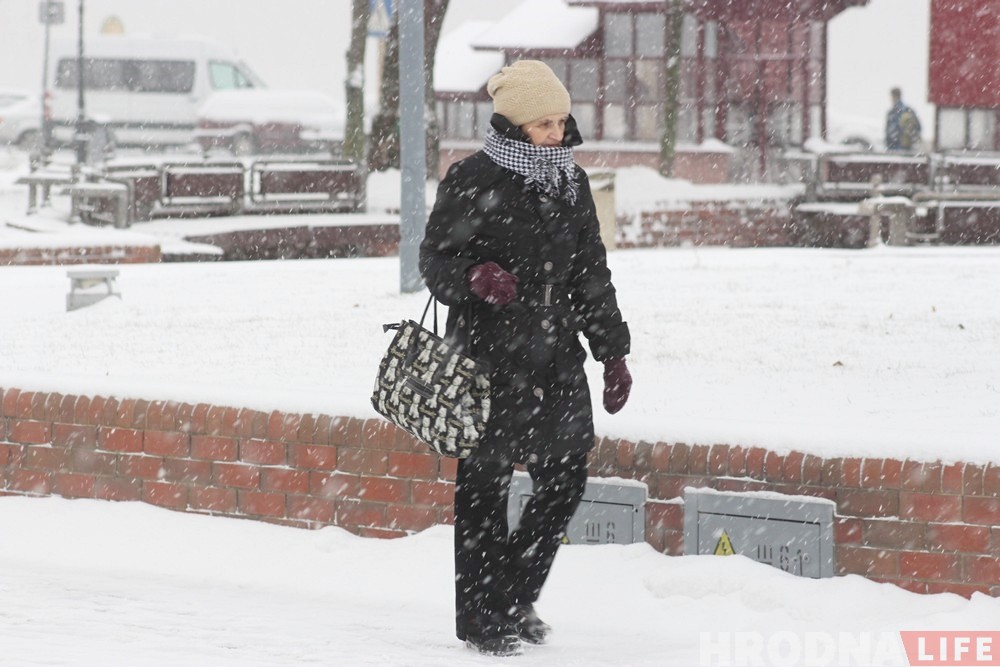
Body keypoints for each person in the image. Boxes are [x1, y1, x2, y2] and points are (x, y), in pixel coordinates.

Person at [419, 60, 632, 657]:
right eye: (543, 123)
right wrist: (475, 277)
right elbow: (433, 263)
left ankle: (511, 596)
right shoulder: (471, 179)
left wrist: (612, 353)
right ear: (513, 123)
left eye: (562, 121)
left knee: (564, 478)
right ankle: (482, 619)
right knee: (483, 489)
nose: (556, 133)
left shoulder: (572, 183)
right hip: (489, 354)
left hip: (556, 352)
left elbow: (592, 273)